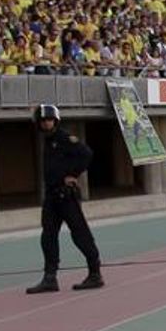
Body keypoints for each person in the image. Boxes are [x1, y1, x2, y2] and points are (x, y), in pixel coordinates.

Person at [26, 104, 104, 294]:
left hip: (66, 195)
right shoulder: (48, 140)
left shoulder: (64, 137)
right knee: (48, 236)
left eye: (49, 119)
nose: (46, 123)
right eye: (43, 120)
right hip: (52, 196)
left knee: (80, 234)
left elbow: (86, 153)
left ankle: (95, 273)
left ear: (56, 120)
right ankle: (50, 277)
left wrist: (73, 174)